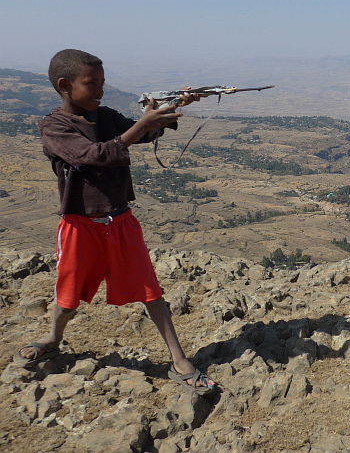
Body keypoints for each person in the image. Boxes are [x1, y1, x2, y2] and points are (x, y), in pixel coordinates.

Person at [13, 49, 216, 396]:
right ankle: (53, 337)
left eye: (102, 83)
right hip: (79, 225)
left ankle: (179, 359)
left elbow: (145, 134)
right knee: (68, 297)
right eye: (91, 84)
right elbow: (92, 156)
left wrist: (172, 108)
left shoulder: (104, 116)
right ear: (64, 85)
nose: (100, 91)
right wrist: (141, 124)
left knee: (151, 292)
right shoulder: (54, 126)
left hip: (120, 220)